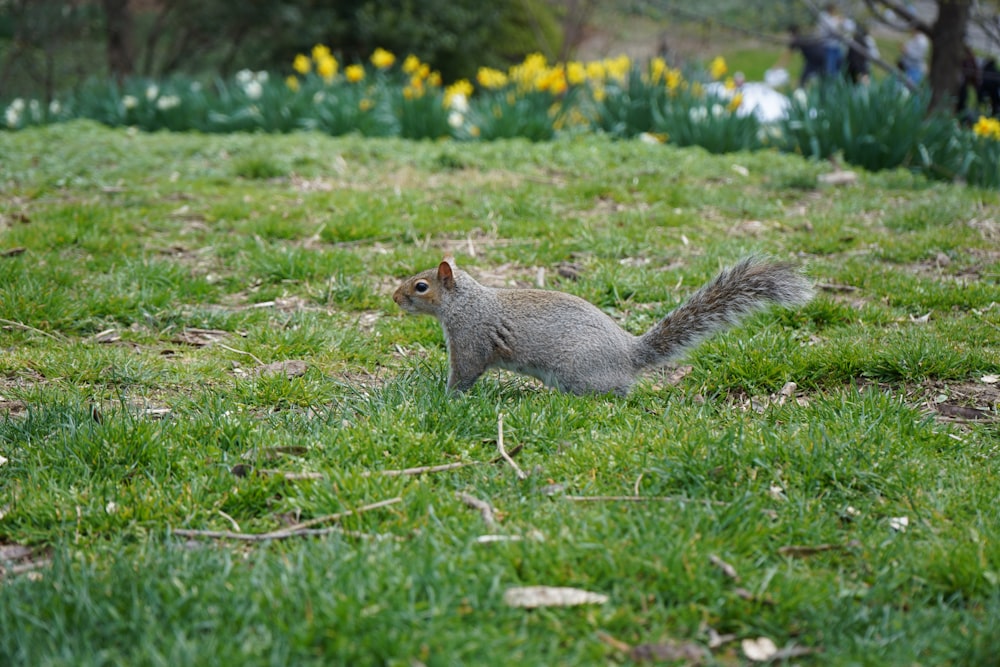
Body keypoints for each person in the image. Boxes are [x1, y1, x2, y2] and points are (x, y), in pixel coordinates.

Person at [775, 24, 827, 88]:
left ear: (791, 33)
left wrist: (777, 67)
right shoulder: (803, 37)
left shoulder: (796, 40)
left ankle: (801, 89)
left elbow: (787, 56)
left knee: (803, 80)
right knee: (822, 79)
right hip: (823, 56)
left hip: (814, 60)